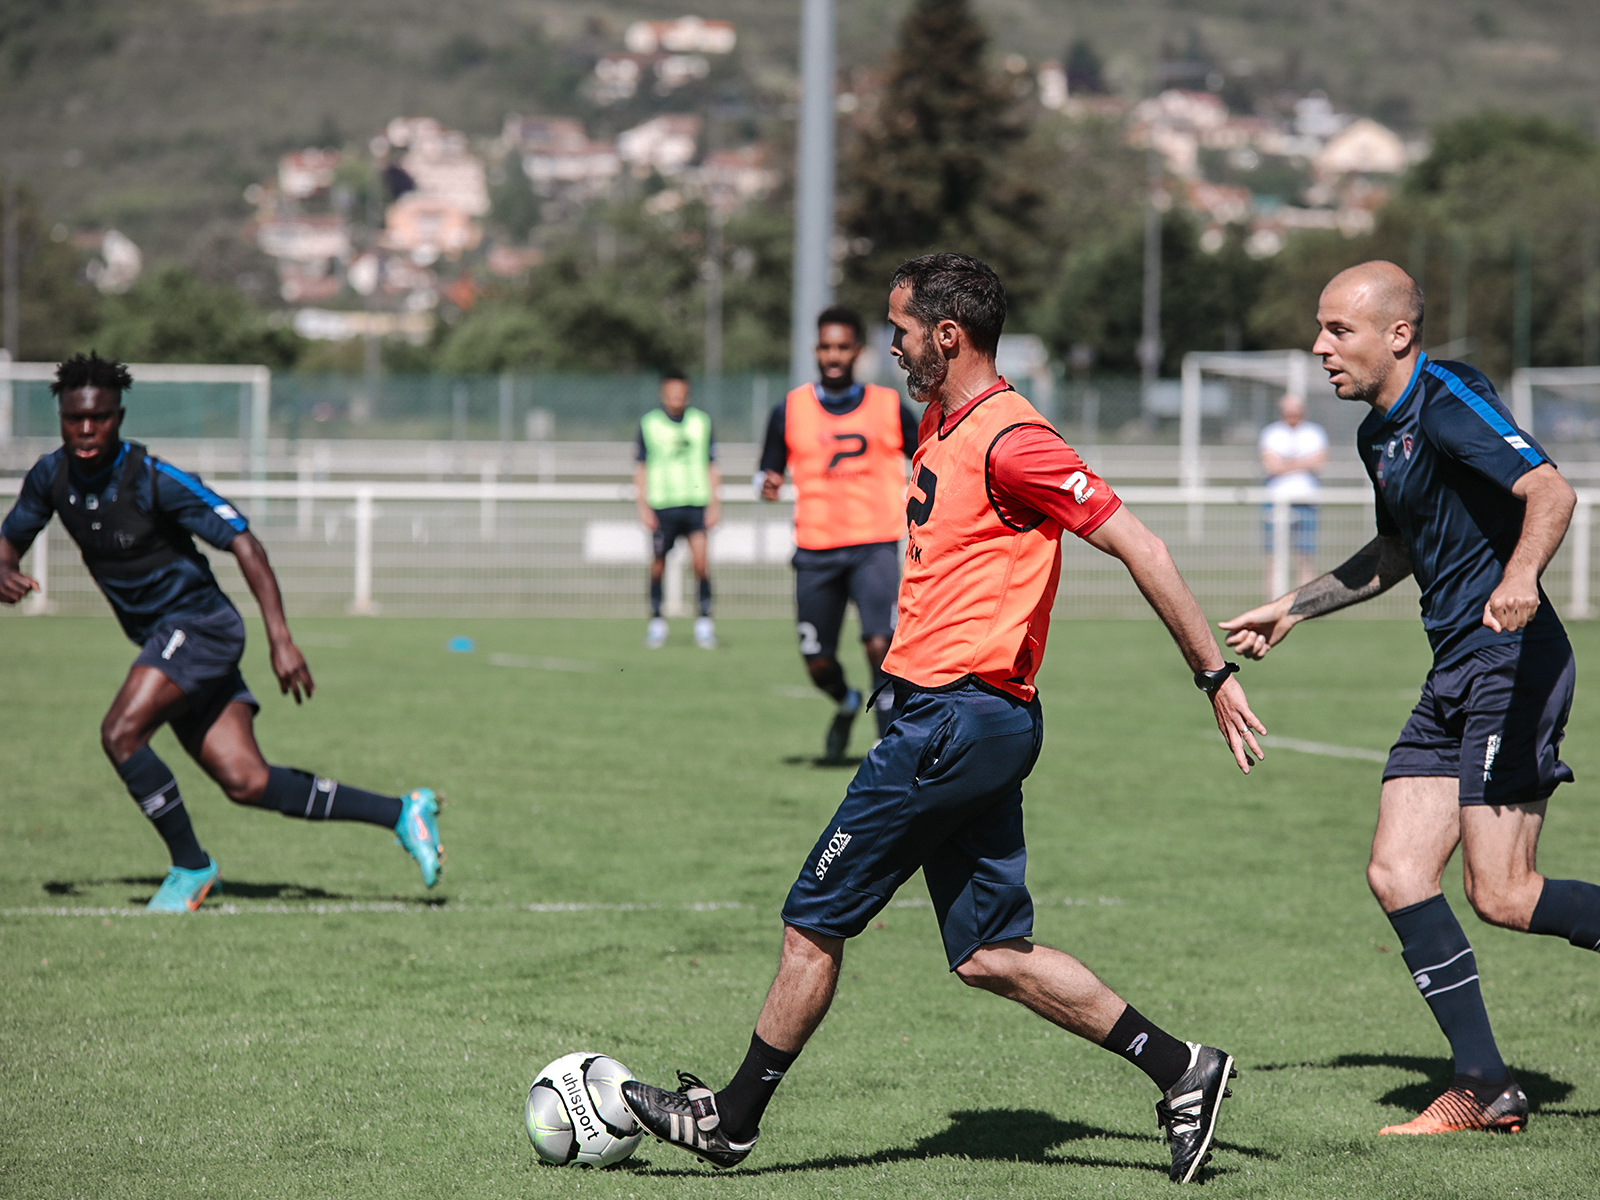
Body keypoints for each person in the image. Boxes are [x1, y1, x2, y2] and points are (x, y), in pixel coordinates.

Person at [622, 254, 1266, 1183]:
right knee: (990, 955)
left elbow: (1142, 545)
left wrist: (1214, 674)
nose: (890, 345)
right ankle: (1183, 1069)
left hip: (955, 724)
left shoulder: (1015, 439)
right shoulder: (938, 418)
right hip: (960, 722)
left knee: (813, 920)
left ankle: (731, 1120)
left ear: (948, 335)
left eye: (902, 329)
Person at [1221, 261, 1600, 1136]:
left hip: (1511, 660)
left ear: (1398, 335)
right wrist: (1293, 607)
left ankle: (1486, 1085)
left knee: (1503, 894)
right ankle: (1484, 1085)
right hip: (1454, 670)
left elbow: (1550, 489)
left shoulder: (1446, 401)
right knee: (1396, 872)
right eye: (1320, 329)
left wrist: (1520, 577)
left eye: (1338, 331)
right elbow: (1394, 551)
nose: (1319, 348)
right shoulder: (1377, 435)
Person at [0, 353, 443, 913]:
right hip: (164, 640)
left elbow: (245, 544)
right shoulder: (50, 477)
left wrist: (281, 639)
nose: (86, 430)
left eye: (101, 418)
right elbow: (10, 540)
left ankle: (190, 866)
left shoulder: (155, 480)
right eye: (74, 419)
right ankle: (402, 812)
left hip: (200, 627)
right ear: (61, 418)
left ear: (120, 417)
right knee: (247, 781)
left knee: (120, 733)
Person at [759, 305, 921, 759]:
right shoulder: (789, 409)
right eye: (826, 347)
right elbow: (766, 472)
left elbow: (927, 459)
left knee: (880, 643)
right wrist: (765, 484)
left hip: (874, 544)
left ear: (857, 351)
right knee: (817, 662)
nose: (833, 356)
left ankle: (887, 743)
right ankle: (847, 701)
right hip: (815, 550)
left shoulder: (888, 406)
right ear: (816, 350)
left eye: (842, 347)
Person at [634, 370, 720, 649]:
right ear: (663, 394)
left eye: (681, 393)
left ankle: (704, 624)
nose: (676, 399)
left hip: (695, 503)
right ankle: (657, 623)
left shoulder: (701, 422)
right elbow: (641, 467)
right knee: (658, 564)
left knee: (701, 563)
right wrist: (643, 505)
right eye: (671, 393)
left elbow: (712, 464)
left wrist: (715, 502)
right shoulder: (649, 424)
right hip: (662, 505)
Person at [1258, 391, 1328, 595]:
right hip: (1276, 501)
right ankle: (1273, 602)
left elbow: (1319, 462)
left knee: (1305, 556)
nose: (1292, 415)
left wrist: (1285, 464)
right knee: (1273, 556)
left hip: (1306, 501)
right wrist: (1303, 463)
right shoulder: (1271, 433)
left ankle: (1305, 602)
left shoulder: (1315, 433)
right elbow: (1271, 465)